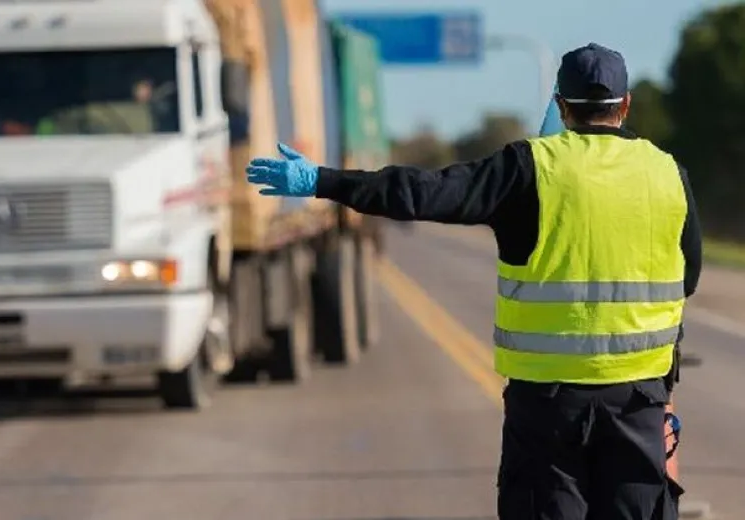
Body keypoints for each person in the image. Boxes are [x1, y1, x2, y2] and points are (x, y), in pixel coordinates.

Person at [245, 42, 701, 520]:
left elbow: (421, 193)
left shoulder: (527, 168)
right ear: (625, 105)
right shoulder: (669, 174)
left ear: (561, 106)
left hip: (547, 409)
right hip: (638, 405)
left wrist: (322, 180)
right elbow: (685, 281)